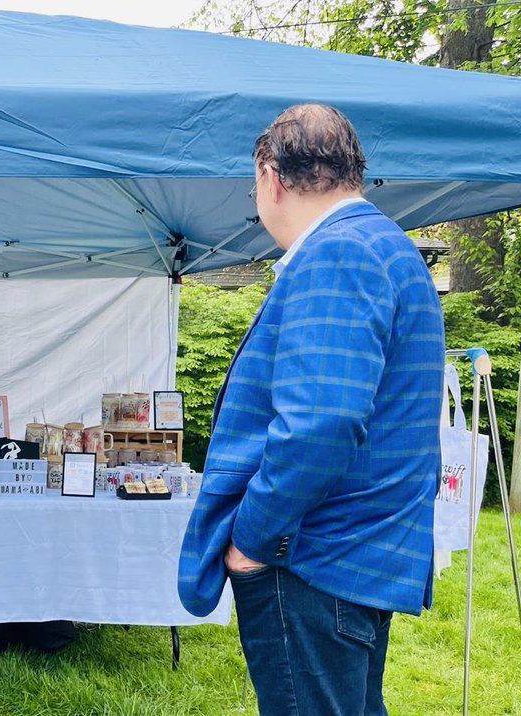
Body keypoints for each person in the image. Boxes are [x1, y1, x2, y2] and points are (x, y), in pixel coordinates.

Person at [178, 105, 444, 715]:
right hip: (351, 554)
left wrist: (252, 539)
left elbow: (319, 427)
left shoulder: (337, 253)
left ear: (271, 177)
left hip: (311, 559)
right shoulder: (388, 246)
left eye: (255, 185)